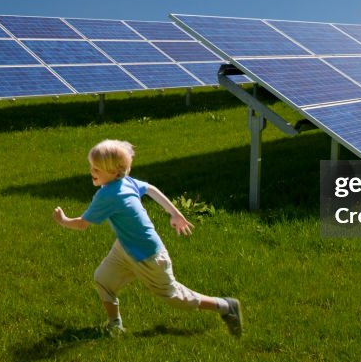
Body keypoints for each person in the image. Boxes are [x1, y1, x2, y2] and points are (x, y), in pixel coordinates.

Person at [53, 139, 242, 337]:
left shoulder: (108, 194)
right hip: (125, 247)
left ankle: (225, 306)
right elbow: (151, 189)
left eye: (97, 168)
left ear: (115, 172)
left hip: (148, 256)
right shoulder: (126, 182)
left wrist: (63, 220)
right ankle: (115, 325)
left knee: (175, 297)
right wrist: (174, 213)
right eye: (92, 166)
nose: (92, 171)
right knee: (103, 279)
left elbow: (82, 224)